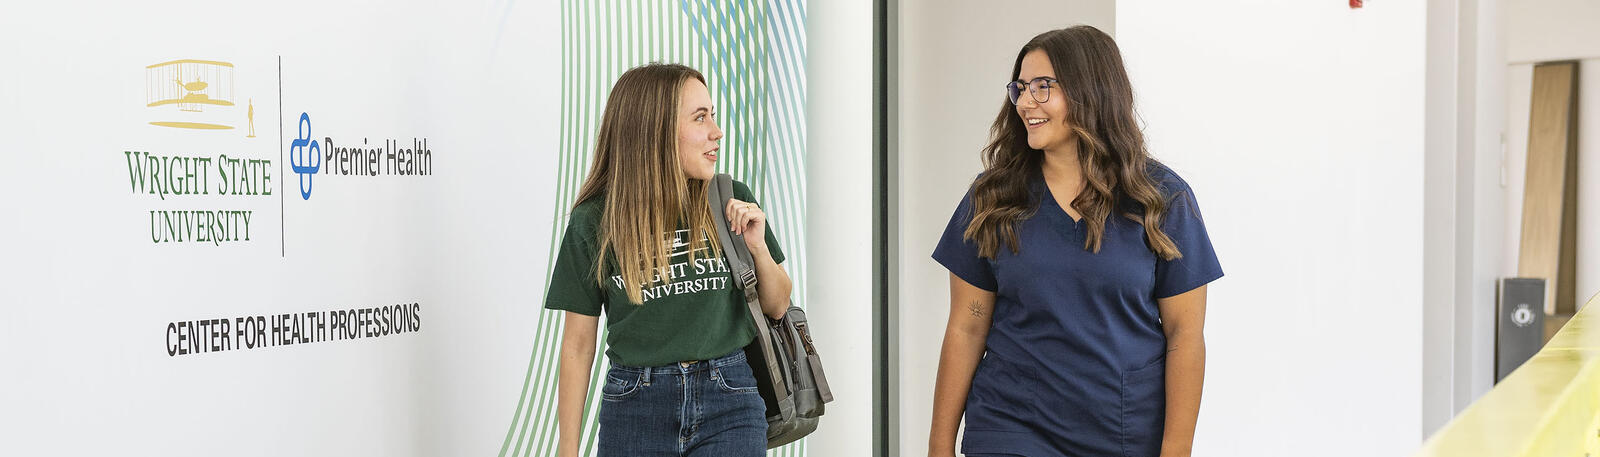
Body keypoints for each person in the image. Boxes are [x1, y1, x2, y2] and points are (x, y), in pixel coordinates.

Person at [929, 25, 1223, 457]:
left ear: (1092, 91)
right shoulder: (993, 198)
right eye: (1021, 87)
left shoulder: (1163, 200)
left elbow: (1185, 335)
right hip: (1010, 425)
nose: (1026, 102)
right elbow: (967, 325)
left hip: (1121, 429)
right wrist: (938, 446)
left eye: (1044, 87)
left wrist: (1176, 449)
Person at [547, 63, 792, 457]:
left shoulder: (730, 197)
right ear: (655, 131)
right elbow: (577, 346)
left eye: (712, 115)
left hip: (729, 398)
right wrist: (567, 449)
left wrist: (758, 247)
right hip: (634, 407)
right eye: (700, 118)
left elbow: (778, 304)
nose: (717, 131)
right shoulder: (595, 219)